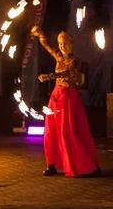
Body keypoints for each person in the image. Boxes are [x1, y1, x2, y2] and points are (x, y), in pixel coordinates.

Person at [31, 25, 100, 177]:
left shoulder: (74, 61)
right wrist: (40, 34)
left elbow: (67, 73)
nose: (62, 46)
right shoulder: (59, 57)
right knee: (51, 130)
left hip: (68, 98)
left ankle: (80, 165)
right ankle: (52, 164)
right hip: (56, 96)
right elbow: (47, 46)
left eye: (64, 43)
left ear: (71, 44)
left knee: (66, 131)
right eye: (60, 44)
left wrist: (49, 76)